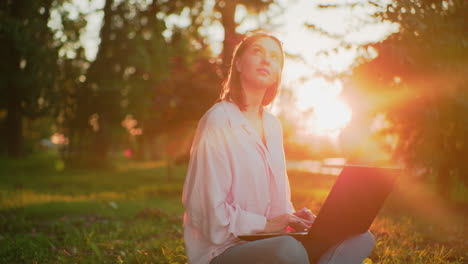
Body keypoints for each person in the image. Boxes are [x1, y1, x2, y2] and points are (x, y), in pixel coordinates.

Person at [182, 32, 375, 264]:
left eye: (274, 57)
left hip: (271, 240)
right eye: (257, 52)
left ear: (277, 74)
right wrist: (271, 224)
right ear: (239, 63)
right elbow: (210, 216)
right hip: (224, 250)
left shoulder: (272, 125)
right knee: (288, 250)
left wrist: (293, 218)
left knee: (360, 237)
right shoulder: (217, 121)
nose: (266, 60)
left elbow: (277, 202)